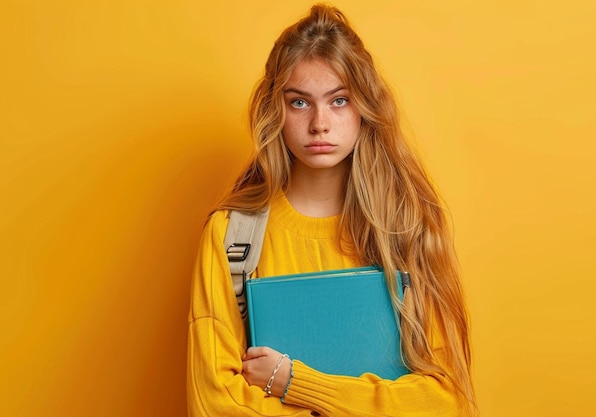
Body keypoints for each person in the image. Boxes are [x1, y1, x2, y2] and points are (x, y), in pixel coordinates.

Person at [187, 4, 477, 416]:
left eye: (339, 101)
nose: (320, 123)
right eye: (300, 103)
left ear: (365, 110)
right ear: (276, 110)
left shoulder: (408, 230)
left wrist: (293, 381)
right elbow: (214, 403)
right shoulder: (231, 237)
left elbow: (448, 402)